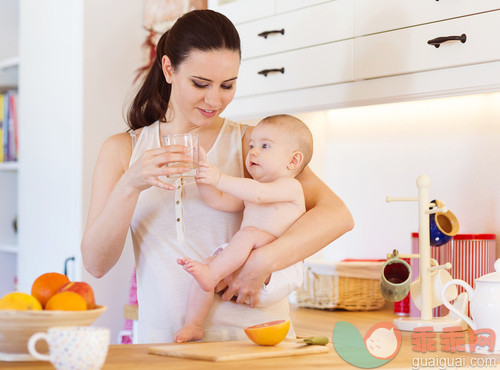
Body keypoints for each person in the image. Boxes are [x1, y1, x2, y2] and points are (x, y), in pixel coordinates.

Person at [81, 9, 354, 344]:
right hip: (165, 345)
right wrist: (131, 184)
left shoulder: (253, 144)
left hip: (255, 342)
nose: (214, 100)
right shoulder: (123, 150)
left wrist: (263, 260)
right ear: (169, 69)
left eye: (228, 85)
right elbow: (96, 263)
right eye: (200, 83)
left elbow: (337, 215)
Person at [175, 114, 311, 342]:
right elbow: (218, 200)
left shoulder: (290, 187)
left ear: (293, 160)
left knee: (247, 235)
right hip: (249, 262)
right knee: (208, 266)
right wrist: (204, 178)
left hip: (280, 269)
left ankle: (211, 274)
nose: (253, 152)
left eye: (265, 146)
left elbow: (258, 194)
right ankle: (194, 324)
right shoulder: (252, 191)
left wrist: (218, 177)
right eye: (251, 146)